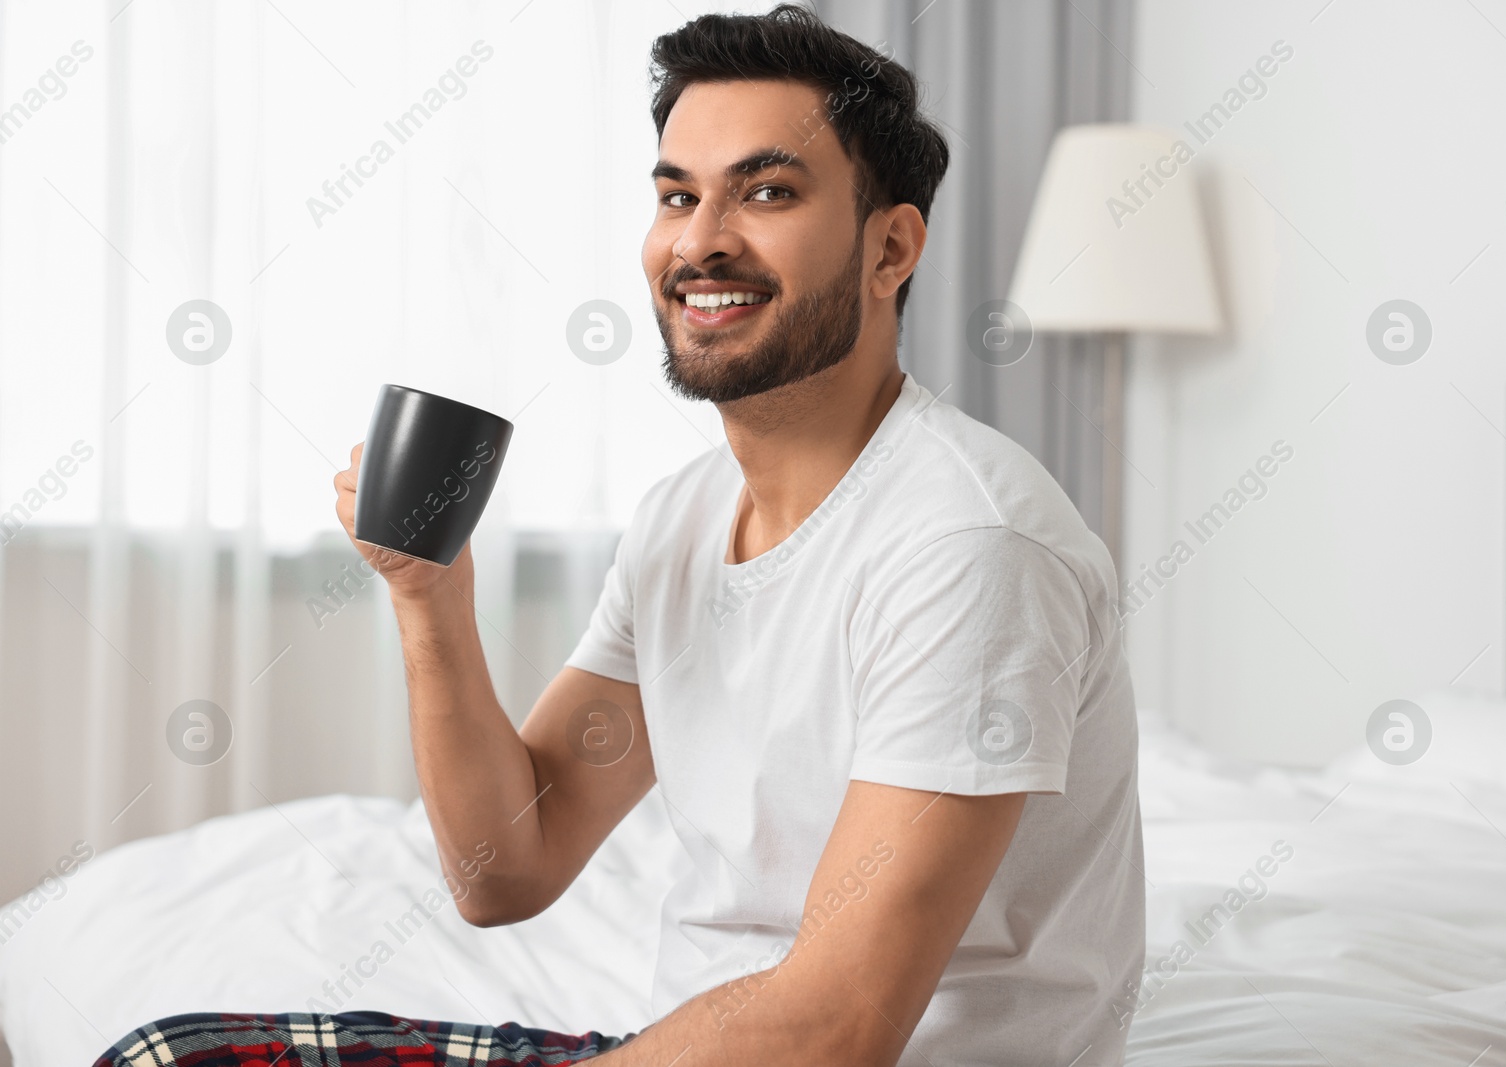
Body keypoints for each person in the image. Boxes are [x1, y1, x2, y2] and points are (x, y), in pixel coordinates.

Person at [95, 5, 1143, 1066]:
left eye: (767, 191)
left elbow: (836, 1027)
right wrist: (428, 599)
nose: (699, 241)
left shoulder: (969, 545)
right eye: (677, 195)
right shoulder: (681, 518)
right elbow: (508, 867)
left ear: (891, 247)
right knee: (173, 1053)